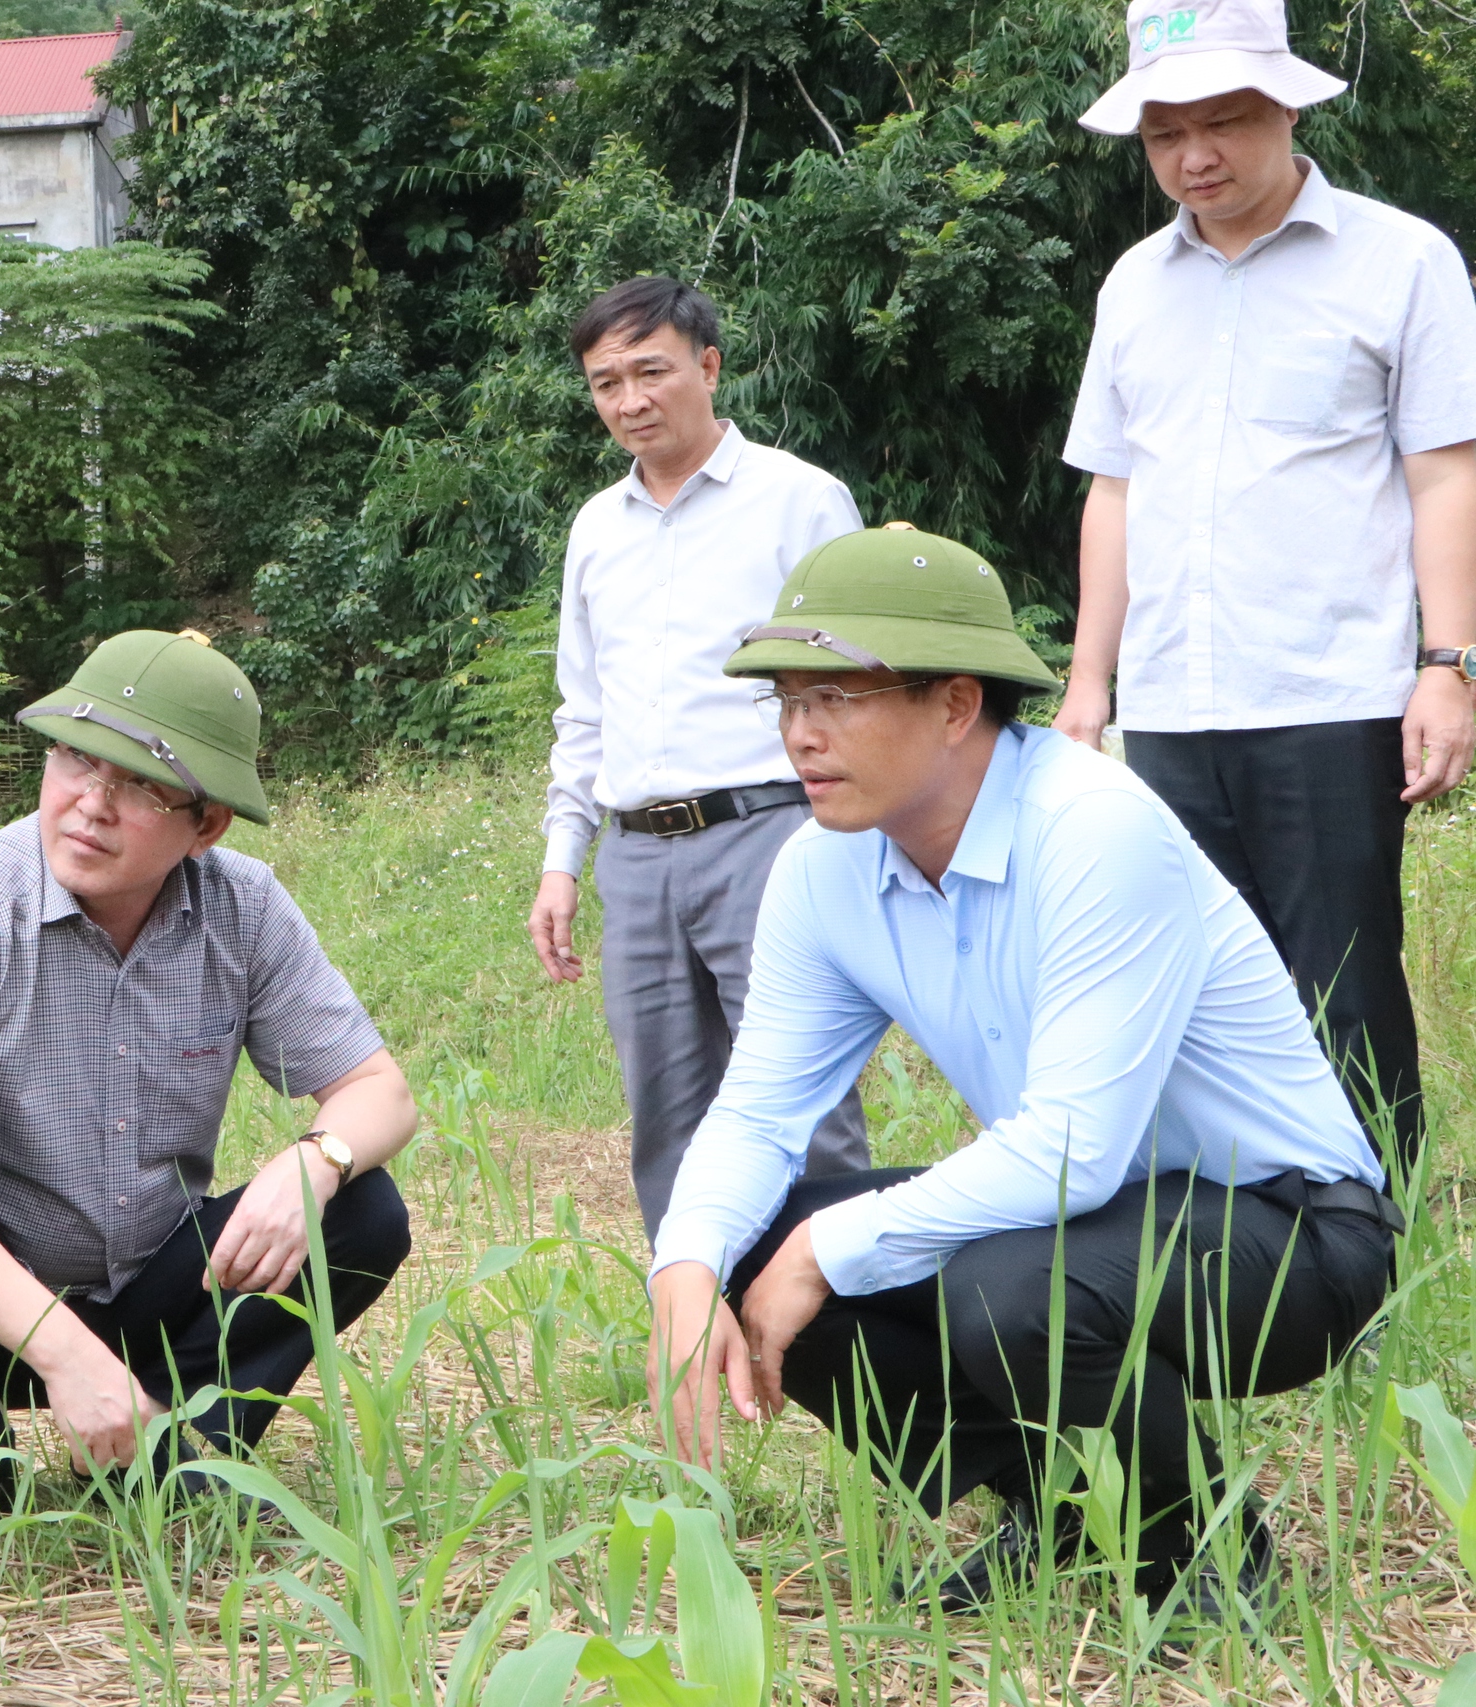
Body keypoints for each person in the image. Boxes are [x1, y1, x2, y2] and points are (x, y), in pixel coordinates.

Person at [645, 526, 1394, 1618]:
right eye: (786, 699)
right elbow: (761, 1110)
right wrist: (684, 1265)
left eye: (837, 696)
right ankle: (1056, 1518)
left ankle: (1202, 1566)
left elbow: (1071, 1154)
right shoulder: (822, 869)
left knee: (996, 1285)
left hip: (1291, 1234)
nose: (800, 733)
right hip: (1093, 1221)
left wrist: (827, 1246)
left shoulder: (1093, 828)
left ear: (955, 706)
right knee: (751, 1241)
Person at [0, 630, 417, 1506]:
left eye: (140, 782)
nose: (90, 803)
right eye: (75, 757)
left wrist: (315, 1161)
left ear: (206, 823)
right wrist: (65, 1354)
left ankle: (176, 1456)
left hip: (150, 1288)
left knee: (363, 1209)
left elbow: (381, 1093)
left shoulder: (244, 910)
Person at [1056, 0, 1476, 1176]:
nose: (1194, 158)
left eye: (1224, 122)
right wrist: (1089, 688)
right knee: (1196, 992)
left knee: (1341, 987)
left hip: (1326, 695)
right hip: (1172, 712)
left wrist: (1448, 667)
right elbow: (1115, 493)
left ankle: (1371, 1247)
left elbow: (1444, 475)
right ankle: (1238, 1257)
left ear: (1287, 105)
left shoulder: (1401, 261)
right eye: (1162, 135)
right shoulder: (1134, 287)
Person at [528, 274, 869, 1238]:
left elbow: (852, 687)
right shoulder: (596, 529)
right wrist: (564, 862)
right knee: (666, 1118)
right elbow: (581, 713)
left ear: (708, 367)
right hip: (636, 858)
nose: (630, 401)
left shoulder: (800, 501)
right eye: (605, 384)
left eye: (651, 372)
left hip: (770, 836)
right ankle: (699, 1334)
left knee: (804, 1099)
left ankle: (848, 1338)